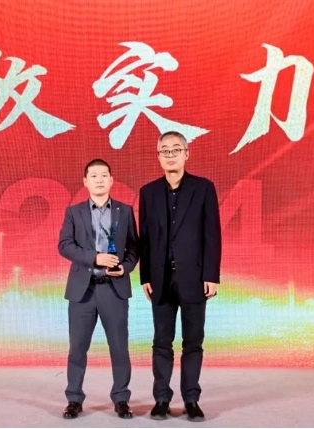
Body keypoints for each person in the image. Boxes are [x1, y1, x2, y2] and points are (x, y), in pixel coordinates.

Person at [138, 131, 222, 422]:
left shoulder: (204, 188)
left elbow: (212, 234)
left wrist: (211, 274)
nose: (170, 155)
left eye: (176, 149)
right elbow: (145, 238)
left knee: (193, 341)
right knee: (161, 341)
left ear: (187, 154)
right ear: (158, 156)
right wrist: (145, 276)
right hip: (160, 279)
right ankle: (161, 399)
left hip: (194, 277)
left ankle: (191, 399)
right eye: (165, 150)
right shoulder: (148, 192)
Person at [57, 158, 139, 419]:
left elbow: (134, 248)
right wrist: (95, 258)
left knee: (119, 346)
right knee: (77, 348)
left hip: (114, 290)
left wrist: (124, 267)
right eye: (94, 176)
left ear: (111, 180)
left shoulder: (125, 211)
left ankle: (121, 398)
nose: (99, 180)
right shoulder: (74, 212)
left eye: (104, 175)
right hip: (83, 290)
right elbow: (65, 245)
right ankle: (74, 399)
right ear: (85, 181)